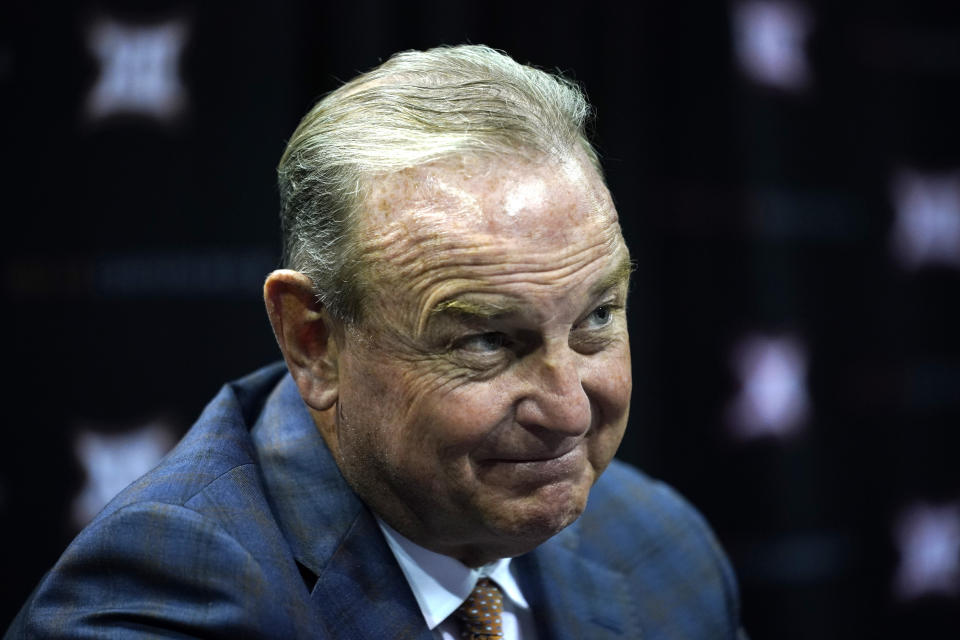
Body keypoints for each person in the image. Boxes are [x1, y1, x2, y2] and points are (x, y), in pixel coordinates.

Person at [7, 45, 747, 639]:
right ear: (313, 342)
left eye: (595, 319)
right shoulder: (160, 602)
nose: (569, 411)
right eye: (488, 341)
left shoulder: (661, 547)